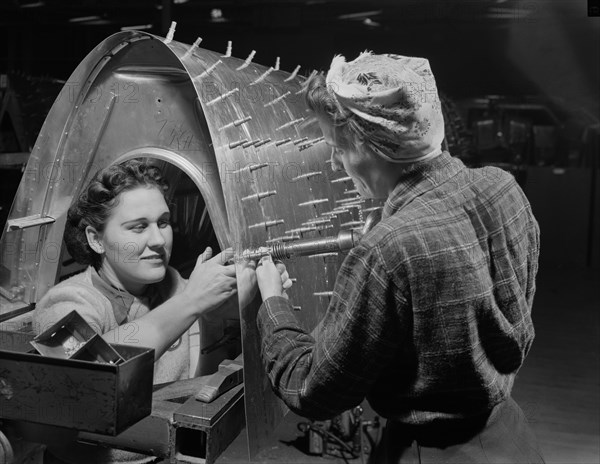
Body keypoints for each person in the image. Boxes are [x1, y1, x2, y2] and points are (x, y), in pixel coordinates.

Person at [253, 52, 545, 463]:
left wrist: (273, 304)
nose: (337, 163)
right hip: (510, 438)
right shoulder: (503, 189)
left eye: (338, 148)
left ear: (373, 145)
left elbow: (312, 389)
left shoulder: (387, 251)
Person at [32, 159, 282, 463]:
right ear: (96, 240)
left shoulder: (180, 289)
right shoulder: (62, 304)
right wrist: (192, 303)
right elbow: (87, 376)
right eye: (138, 227)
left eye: (163, 222)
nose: (158, 240)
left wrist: (225, 314)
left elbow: (202, 392)